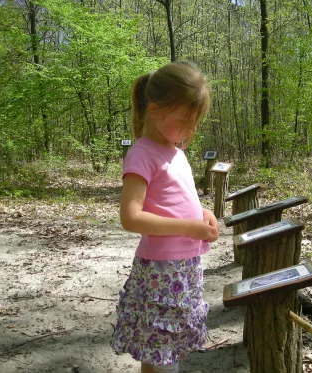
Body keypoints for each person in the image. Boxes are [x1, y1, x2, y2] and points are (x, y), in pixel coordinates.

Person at [111, 61, 220, 373]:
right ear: (155, 109)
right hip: (162, 271)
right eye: (184, 120)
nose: (190, 130)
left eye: (195, 122)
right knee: (162, 348)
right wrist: (188, 226)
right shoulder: (142, 154)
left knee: (159, 348)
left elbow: (173, 201)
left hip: (182, 268)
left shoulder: (177, 153)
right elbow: (131, 217)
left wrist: (203, 213)